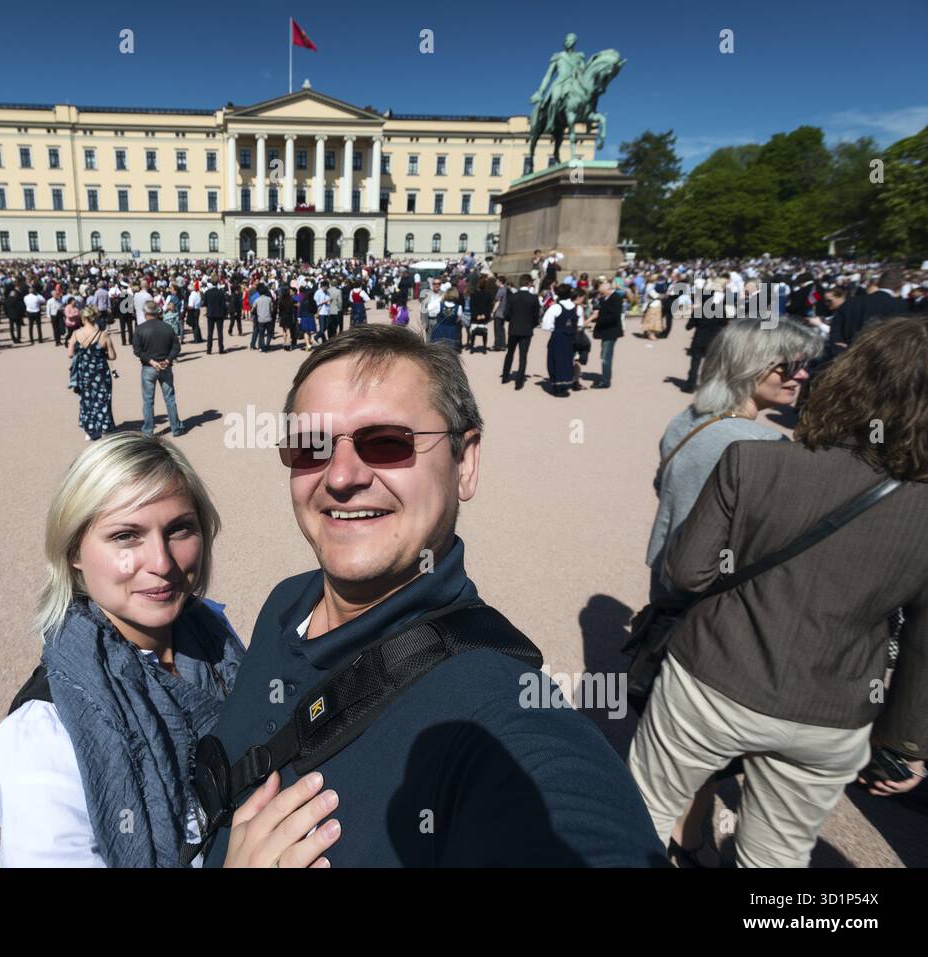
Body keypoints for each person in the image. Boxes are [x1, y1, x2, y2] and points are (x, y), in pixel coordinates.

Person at [199, 325, 666, 867]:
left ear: (465, 461)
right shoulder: (287, 601)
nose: (342, 475)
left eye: (388, 442)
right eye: (312, 445)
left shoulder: (498, 712)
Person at [630, 317, 928, 869]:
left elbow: (689, 572)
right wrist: (905, 744)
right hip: (832, 705)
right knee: (777, 856)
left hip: (715, 677)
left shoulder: (757, 459)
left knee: (641, 811)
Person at [0, 434, 342, 867]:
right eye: (126, 536)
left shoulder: (209, 634)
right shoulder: (45, 737)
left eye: (179, 529)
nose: (162, 562)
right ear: (74, 549)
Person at [641, 318, 822, 866]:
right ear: (748, 369)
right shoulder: (765, 445)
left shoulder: (687, 421)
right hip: (724, 610)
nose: (801, 375)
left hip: (672, 591)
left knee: (685, 743)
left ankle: (689, 834)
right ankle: (687, 836)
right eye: (787, 365)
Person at [133, 301, 185, 437]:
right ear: (157, 312)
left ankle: (148, 430)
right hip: (165, 366)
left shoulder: (139, 329)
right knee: (170, 398)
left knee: (148, 400)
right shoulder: (167, 327)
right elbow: (177, 347)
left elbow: (137, 351)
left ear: (145, 313)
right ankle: (176, 428)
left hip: (149, 367)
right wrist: (168, 360)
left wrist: (151, 361)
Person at [68, 305, 117, 441]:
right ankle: (105, 426)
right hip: (100, 372)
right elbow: (113, 356)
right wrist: (101, 355)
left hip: (85, 373)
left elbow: (70, 354)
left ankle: (90, 428)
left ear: (83, 318)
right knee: (103, 399)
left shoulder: (76, 334)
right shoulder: (103, 334)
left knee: (86, 400)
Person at [541, 284, 582, 397]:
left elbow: (546, 325)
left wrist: (557, 329)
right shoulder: (577, 308)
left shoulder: (555, 307)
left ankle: (557, 386)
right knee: (568, 360)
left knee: (555, 360)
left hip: (558, 337)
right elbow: (580, 325)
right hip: (571, 337)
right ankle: (566, 384)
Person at [501, 275, 539, 390]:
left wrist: (512, 321)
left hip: (514, 328)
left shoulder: (513, 297)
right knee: (523, 356)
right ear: (529, 284)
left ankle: (505, 376)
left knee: (510, 353)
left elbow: (506, 314)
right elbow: (536, 317)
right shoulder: (533, 298)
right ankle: (519, 381)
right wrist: (531, 325)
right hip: (526, 330)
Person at [590, 279, 624, 388]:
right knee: (604, 355)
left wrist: (599, 320)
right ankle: (605, 378)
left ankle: (605, 381)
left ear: (607, 288)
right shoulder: (605, 298)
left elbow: (614, 316)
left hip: (611, 331)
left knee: (606, 357)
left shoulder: (616, 298)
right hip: (607, 331)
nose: (599, 290)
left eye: (601, 288)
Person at [428, 287, 463, 351]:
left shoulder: (439, 305)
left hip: (439, 329)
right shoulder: (459, 307)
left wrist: (441, 298)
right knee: (449, 351)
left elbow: (429, 309)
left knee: (437, 349)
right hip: (451, 330)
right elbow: (458, 319)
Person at [202, 280, 228, 355]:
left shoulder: (208, 292)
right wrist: (225, 313)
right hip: (219, 314)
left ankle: (209, 349)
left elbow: (205, 303)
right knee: (220, 332)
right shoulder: (221, 292)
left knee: (210, 333)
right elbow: (223, 304)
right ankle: (220, 349)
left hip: (210, 314)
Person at [250, 284, 273, 352]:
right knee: (269, 333)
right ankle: (267, 345)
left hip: (258, 316)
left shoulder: (254, 297)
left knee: (258, 332)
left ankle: (254, 345)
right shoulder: (268, 298)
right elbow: (271, 308)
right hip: (267, 316)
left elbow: (252, 307)